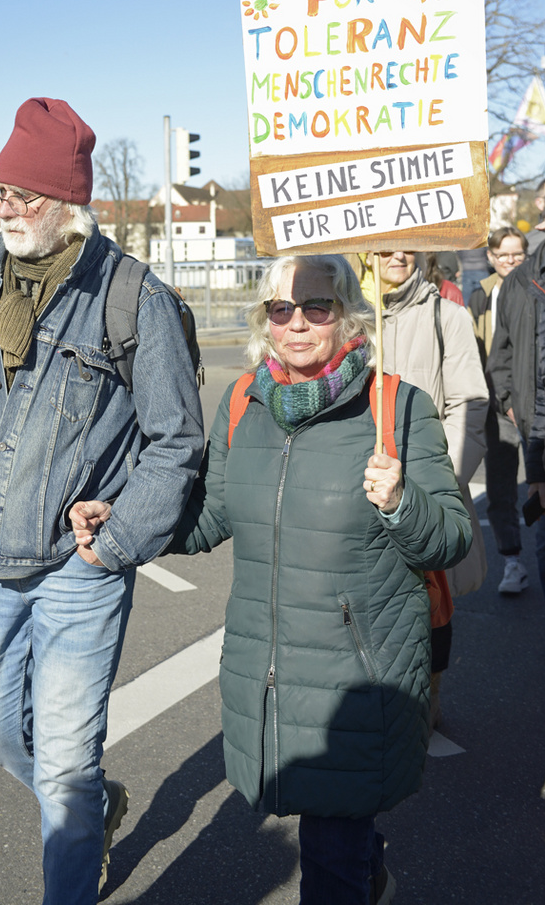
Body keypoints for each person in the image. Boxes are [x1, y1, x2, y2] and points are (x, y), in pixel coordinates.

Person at [72, 254, 472, 905]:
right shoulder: (244, 401)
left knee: (329, 854)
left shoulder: (397, 404)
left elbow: (452, 537)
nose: (298, 324)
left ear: (346, 314)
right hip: (270, 669)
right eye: (281, 310)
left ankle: (358, 872)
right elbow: (208, 517)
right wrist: (126, 518)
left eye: (317, 307)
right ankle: (369, 869)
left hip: (358, 679)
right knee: (335, 833)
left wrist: (402, 501)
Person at [0, 97, 204, 905]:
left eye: (23, 196)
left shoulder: (135, 299)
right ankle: (94, 801)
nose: (7, 210)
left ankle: (74, 844)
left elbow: (177, 441)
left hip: (79, 573)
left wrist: (116, 542)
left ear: (67, 203)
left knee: (62, 759)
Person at [358, 251, 488, 730]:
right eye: (387, 242)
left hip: (424, 491)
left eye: (410, 243)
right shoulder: (345, 312)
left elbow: (469, 406)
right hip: (361, 490)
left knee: (433, 607)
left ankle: (425, 704)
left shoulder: (446, 316)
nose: (398, 253)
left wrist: (436, 482)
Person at [468, 227, 528, 593]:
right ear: (490, 257)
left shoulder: (535, 287)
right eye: (503, 254)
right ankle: (513, 562)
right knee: (501, 487)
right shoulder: (480, 297)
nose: (509, 261)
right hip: (496, 404)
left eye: (516, 254)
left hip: (533, 401)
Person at [489, 230, 545, 601]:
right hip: (530, 423)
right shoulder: (518, 283)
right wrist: (508, 398)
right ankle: (515, 558)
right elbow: (501, 350)